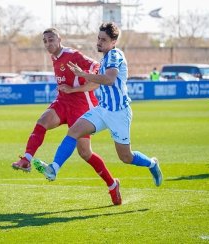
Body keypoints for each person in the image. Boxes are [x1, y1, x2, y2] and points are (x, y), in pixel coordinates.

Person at [33, 22, 163, 203]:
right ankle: (54, 168)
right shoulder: (106, 56)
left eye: (104, 39)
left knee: (126, 157)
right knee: (74, 131)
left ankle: (152, 164)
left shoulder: (115, 56)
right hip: (103, 109)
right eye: (99, 38)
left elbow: (109, 80)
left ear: (114, 41)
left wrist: (83, 74)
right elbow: (99, 81)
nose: (99, 42)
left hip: (119, 113)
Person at [12, 27, 122, 205]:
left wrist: (75, 88)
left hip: (82, 105)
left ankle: (112, 184)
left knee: (85, 153)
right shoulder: (54, 58)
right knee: (42, 122)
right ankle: (26, 159)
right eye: (45, 41)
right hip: (63, 102)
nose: (48, 44)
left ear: (59, 39)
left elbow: (95, 70)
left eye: (51, 40)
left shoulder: (73, 55)